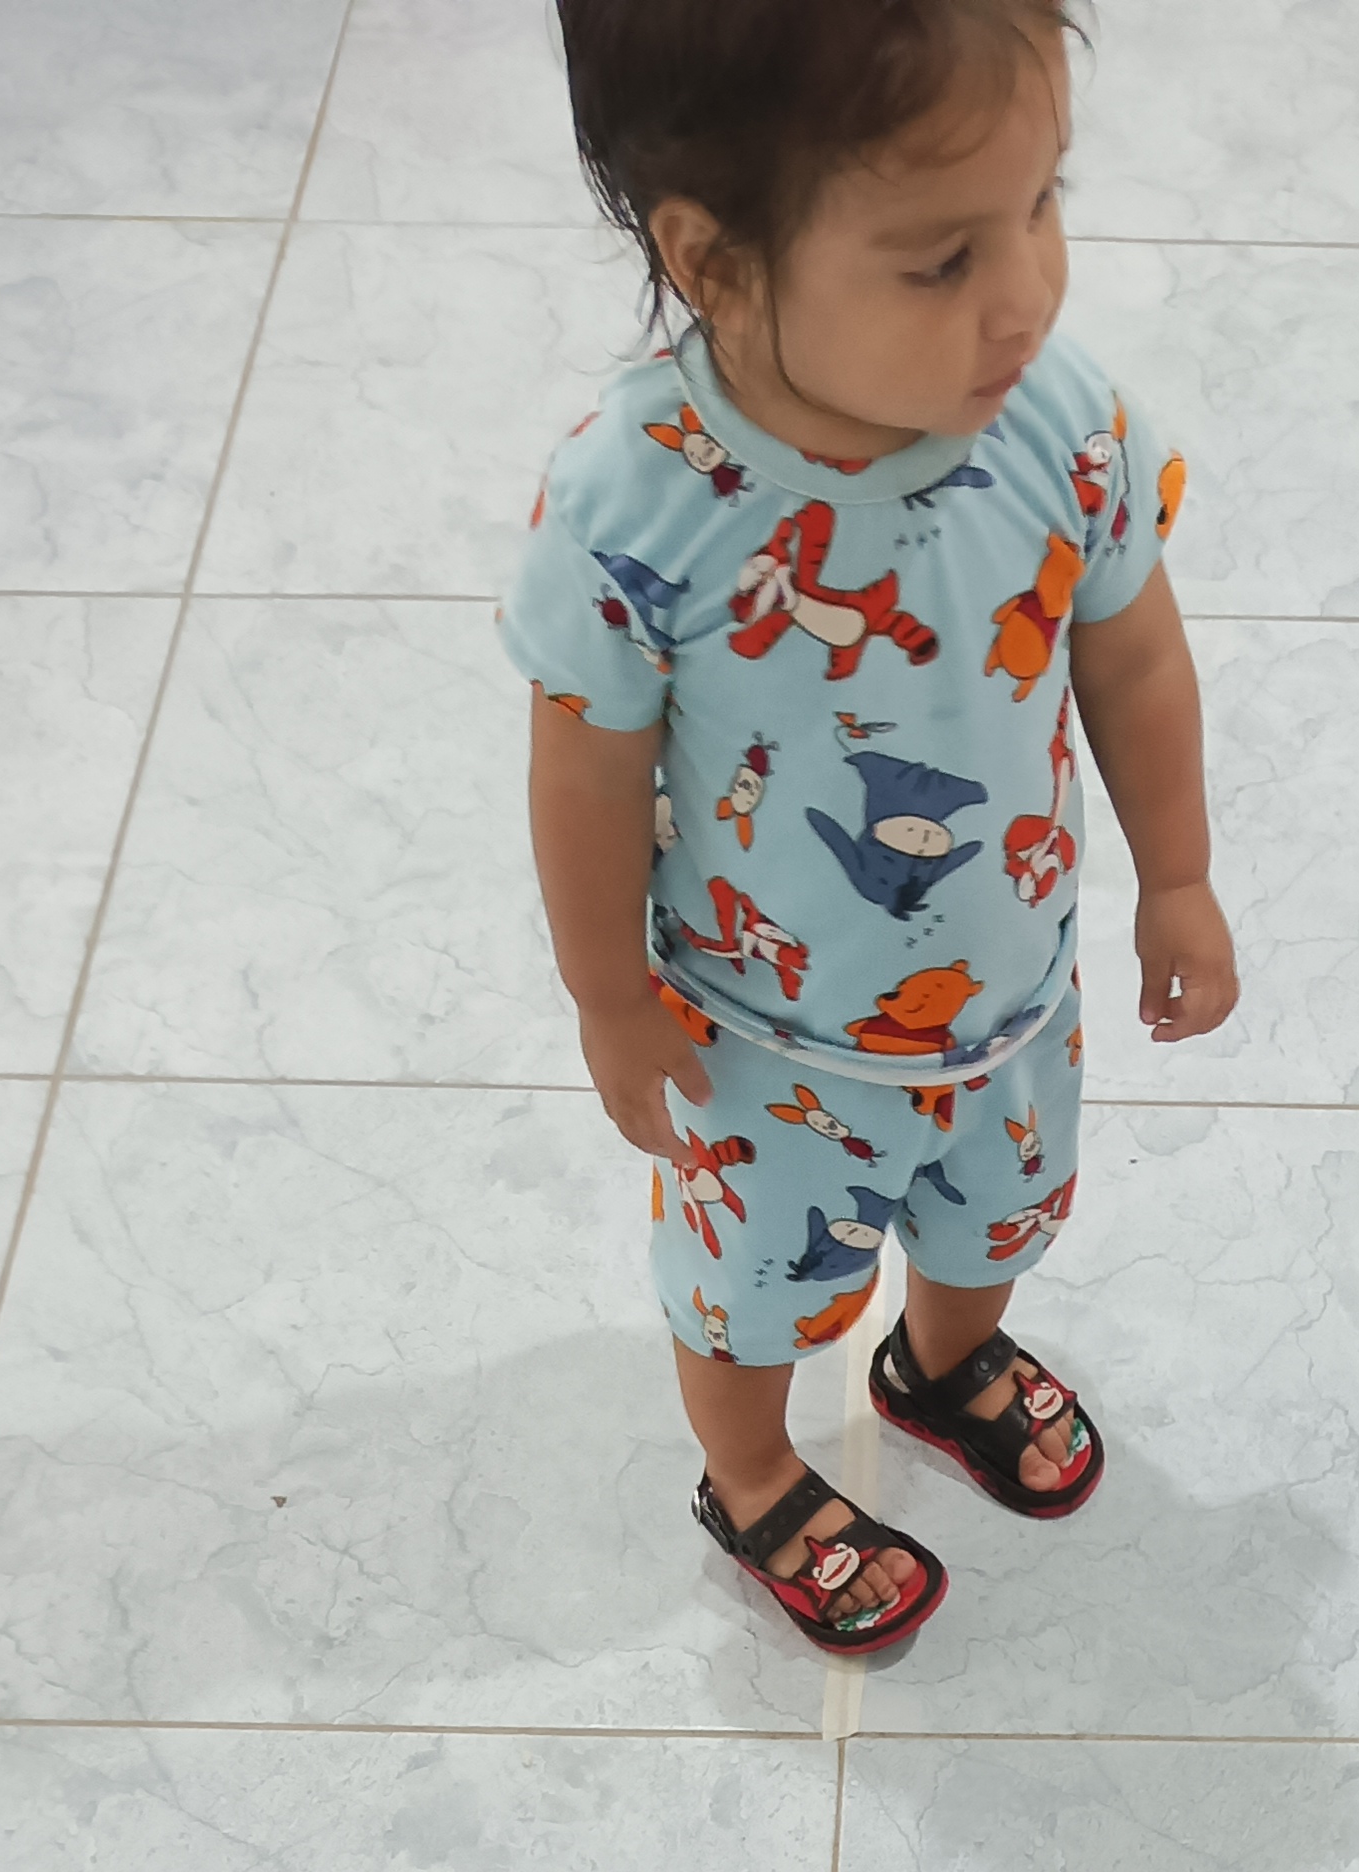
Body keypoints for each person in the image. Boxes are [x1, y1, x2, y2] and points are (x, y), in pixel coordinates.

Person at [504, 0, 1236, 1653]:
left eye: (1044, 202)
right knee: (747, 1291)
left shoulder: (1061, 420)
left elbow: (1132, 650)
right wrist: (609, 998)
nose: (1026, 294)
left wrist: (1177, 875)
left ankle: (943, 1361)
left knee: (998, 1217)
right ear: (714, 263)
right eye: (942, 259)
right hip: (761, 1043)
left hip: (1011, 992)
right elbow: (585, 772)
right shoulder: (640, 502)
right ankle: (754, 1473)